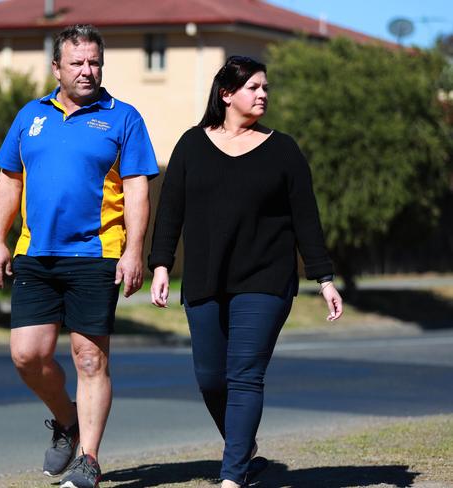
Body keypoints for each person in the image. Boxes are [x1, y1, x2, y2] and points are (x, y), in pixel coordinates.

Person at [149, 55, 343, 488]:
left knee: (244, 375)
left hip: (265, 279)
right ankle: (244, 447)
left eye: (266, 88)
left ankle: (233, 475)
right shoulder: (191, 144)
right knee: (210, 378)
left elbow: (306, 220)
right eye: (254, 87)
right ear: (226, 94)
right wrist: (160, 265)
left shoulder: (283, 150)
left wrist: (324, 278)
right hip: (204, 278)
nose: (263, 95)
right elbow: (170, 211)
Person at [0, 24, 159, 488]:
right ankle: (68, 420)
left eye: (94, 62)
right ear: (56, 67)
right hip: (34, 253)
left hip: (96, 254)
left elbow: (138, 190)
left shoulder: (123, 118)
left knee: (89, 359)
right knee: (26, 356)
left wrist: (134, 251)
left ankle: (89, 459)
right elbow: (9, 179)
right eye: (78, 62)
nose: (87, 70)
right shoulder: (29, 116)